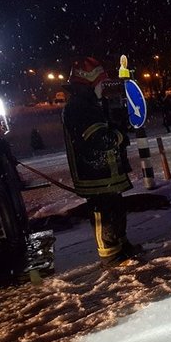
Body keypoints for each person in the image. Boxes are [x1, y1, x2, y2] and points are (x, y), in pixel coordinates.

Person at [61, 57, 139, 266]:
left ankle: (121, 245)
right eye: (101, 83)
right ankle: (110, 254)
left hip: (106, 172)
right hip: (94, 174)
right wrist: (119, 135)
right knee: (103, 213)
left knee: (115, 208)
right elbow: (99, 139)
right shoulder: (78, 107)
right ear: (89, 83)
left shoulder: (90, 104)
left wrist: (117, 123)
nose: (103, 87)